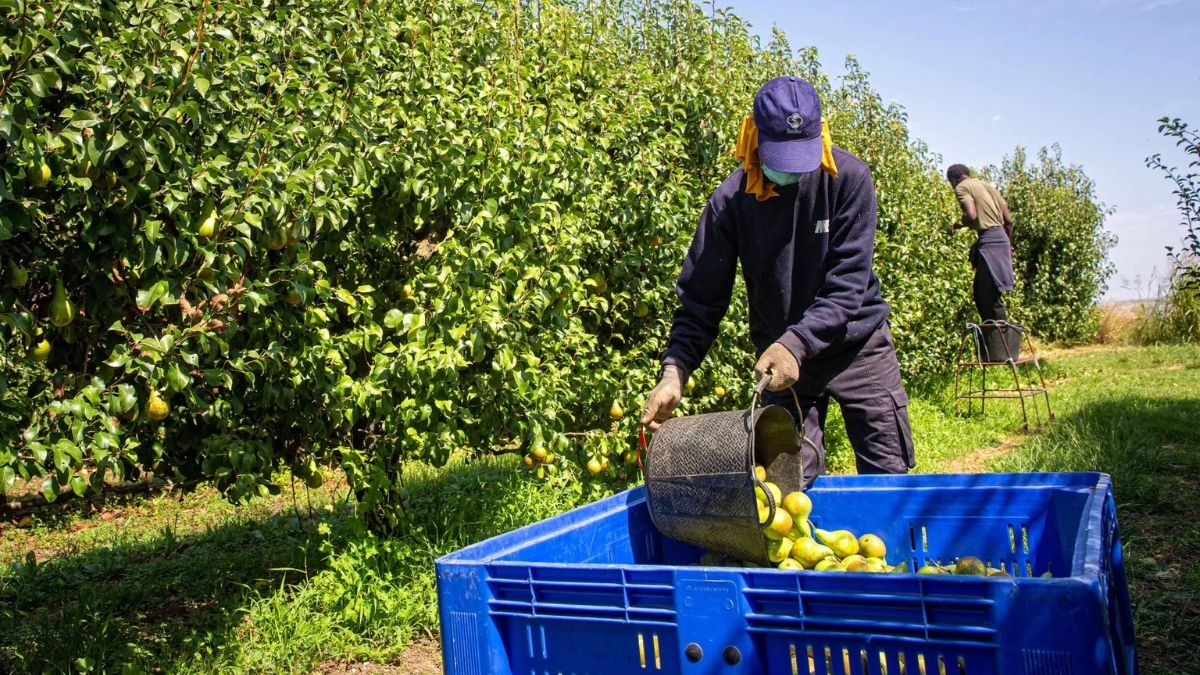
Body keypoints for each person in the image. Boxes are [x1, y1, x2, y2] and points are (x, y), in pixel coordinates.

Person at [639, 76, 914, 477]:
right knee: (789, 482)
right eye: (780, 155)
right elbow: (701, 298)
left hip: (856, 346)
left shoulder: (849, 179)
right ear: (753, 135)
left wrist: (797, 342)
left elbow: (848, 284)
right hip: (780, 360)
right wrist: (675, 370)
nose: (792, 170)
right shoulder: (730, 202)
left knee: (888, 467)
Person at [945, 164, 1015, 322]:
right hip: (1001, 239)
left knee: (987, 296)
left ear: (953, 180)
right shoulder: (988, 186)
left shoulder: (962, 187)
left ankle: (999, 340)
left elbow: (971, 215)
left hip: (989, 241)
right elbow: (1009, 221)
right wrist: (1008, 245)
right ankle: (996, 337)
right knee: (984, 292)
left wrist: (956, 225)